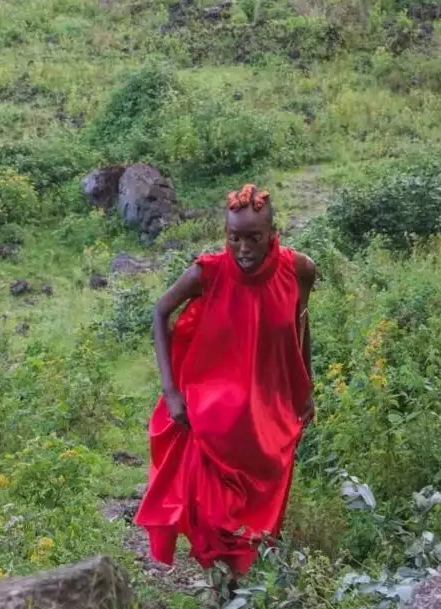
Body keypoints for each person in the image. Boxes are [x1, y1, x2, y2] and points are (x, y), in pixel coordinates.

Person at [134, 183, 316, 581]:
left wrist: (308, 386)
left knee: (261, 510)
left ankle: (243, 595)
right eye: (235, 238)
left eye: (254, 238)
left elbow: (301, 324)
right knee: (213, 513)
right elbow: (160, 311)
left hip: (268, 414)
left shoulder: (298, 270)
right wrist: (171, 392)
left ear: (271, 233)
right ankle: (225, 596)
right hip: (212, 415)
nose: (244, 248)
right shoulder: (209, 272)